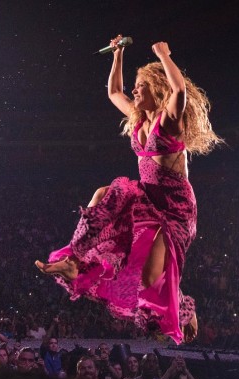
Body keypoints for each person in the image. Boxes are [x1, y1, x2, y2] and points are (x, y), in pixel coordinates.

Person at [35, 36, 222, 344]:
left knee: (149, 278)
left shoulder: (169, 122)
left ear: (155, 89)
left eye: (141, 85)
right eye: (135, 85)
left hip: (175, 210)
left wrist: (164, 56)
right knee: (104, 194)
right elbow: (112, 92)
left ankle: (185, 308)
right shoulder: (137, 120)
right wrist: (118, 55)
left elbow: (179, 90)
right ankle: (74, 260)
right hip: (147, 199)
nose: (135, 90)